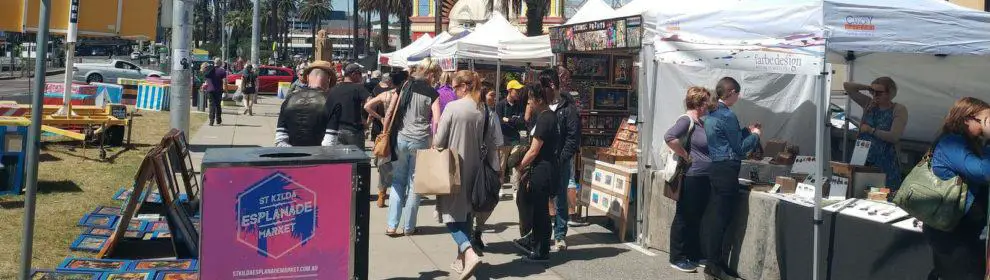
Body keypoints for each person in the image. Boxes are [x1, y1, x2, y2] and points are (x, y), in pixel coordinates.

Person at [433, 70, 502, 279]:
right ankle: (462, 260)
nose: (453, 92)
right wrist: (497, 170)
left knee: (450, 215)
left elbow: (438, 141)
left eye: (454, 87)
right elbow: (493, 144)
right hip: (478, 171)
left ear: (464, 86)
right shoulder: (485, 110)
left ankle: (468, 251)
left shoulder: (453, 108)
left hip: (454, 169)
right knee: (466, 215)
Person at [924, 97, 990, 280]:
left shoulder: (975, 144)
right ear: (966, 119)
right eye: (984, 120)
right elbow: (984, 171)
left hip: (967, 229)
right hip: (953, 231)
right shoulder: (951, 143)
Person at [703, 77, 760, 280]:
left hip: (717, 167)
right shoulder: (727, 115)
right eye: (738, 93)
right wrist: (755, 136)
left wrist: (746, 130)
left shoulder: (713, 112)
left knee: (719, 217)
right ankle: (713, 265)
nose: (739, 97)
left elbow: (728, 137)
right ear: (732, 92)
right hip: (727, 168)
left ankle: (716, 262)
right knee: (721, 219)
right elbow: (739, 148)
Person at [382, 58, 442, 236]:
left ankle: (392, 225)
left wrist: (385, 132)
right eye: (436, 76)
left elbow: (390, 112)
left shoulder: (404, 86)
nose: (436, 79)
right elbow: (437, 120)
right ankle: (408, 227)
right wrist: (435, 141)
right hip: (421, 140)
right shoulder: (432, 93)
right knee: (415, 183)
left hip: (401, 137)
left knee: (398, 181)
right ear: (430, 74)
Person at [665, 86, 715, 273]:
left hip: (702, 176)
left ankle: (694, 253)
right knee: (684, 216)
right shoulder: (686, 120)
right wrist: (685, 155)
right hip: (691, 175)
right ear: (700, 103)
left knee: (697, 217)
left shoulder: (700, 122)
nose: (709, 106)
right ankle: (677, 257)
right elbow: (669, 137)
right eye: (706, 102)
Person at [512, 82, 560, 262]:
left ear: (539, 99)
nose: (529, 103)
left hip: (543, 169)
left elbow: (534, 150)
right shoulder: (547, 116)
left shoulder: (545, 118)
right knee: (539, 210)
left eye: (530, 100)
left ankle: (541, 250)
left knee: (540, 212)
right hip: (546, 168)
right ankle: (537, 243)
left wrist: (520, 166)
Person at [842, 78, 908, 190]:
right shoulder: (869, 103)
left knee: (882, 194)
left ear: (890, 93)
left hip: (885, 160)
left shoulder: (898, 109)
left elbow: (894, 136)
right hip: (862, 156)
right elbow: (847, 86)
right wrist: (867, 87)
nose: (875, 95)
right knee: (858, 192)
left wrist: (871, 130)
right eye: (873, 92)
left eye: (879, 92)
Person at [544, 68, 582, 251]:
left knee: (560, 197)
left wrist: (562, 158)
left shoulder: (568, 109)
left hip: (560, 160)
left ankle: (559, 234)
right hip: (542, 159)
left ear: (551, 85)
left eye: (544, 86)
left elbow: (573, 138)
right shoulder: (543, 105)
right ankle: (541, 232)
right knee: (541, 196)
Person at [273, 61, 338, 147]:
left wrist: (296, 155)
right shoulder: (332, 102)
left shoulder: (289, 99)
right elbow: (329, 143)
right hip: (319, 158)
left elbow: (280, 140)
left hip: (292, 157)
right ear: (329, 79)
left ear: (307, 77)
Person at [326, 63, 372, 149]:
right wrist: (367, 121)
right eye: (360, 74)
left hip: (337, 129)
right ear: (353, 74)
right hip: (354, 130)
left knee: (341, 159)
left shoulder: (333, 89)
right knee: (358, 158)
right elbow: (370, 103)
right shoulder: (358, 88)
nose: (361, 77)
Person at [203, 58, 228, 126]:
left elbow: (206, 80)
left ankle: (211, 121)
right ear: (220, 63)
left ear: (214, 62)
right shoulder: (222, 71)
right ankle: (218, 120)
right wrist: (225, 90)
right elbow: (224, 81)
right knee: (218, 105)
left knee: (211, 105)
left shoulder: (209, 70)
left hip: (210, 90)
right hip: (218, 90)